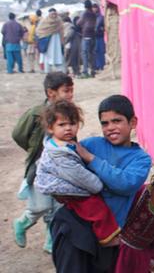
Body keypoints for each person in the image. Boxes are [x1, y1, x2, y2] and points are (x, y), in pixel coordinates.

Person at [50, 94, 151, 273]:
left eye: (117, 121)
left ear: (132, 122)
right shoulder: (90, 144)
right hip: (73, 229)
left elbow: (125, 183)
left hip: (107, 235)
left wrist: (90, 160)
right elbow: (57, 157)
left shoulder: (139, 158)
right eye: (104, 123)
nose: (110, 128)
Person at [34, 100, 121, 246]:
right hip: (66, 190)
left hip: (63, 189)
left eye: (72, 123)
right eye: (62, 125)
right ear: (50, 128)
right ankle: (106, 238)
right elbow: (79, 176)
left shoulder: (62, 143)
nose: (68, 128)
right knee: (97, 207)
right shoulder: (60, 154)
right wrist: (97, 185)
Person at [11, 72, 73, 253]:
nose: (70, 95)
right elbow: (18, 134)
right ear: (51, 93)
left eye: (71, 91)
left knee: (58, 204)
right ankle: (22, 223)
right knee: (41, 206)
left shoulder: (69, 113)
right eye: (66, 91)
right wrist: (32, 151)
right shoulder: (36, 114)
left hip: (60, 169)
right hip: (40, 169)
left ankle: (50, 241)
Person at [36, 8, 64, 73]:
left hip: (57, 39)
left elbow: (62, 30)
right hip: (47, 40)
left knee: (57, 55)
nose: (53, 16)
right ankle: (47, 70)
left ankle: (59, 70)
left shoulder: (59, 20)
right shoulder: (44, 21)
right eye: (52, 14)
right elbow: (39, 30)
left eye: (55, 14)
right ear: (49, 14)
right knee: (48, 56)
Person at [77, 0, 97, 78]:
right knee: (92, 54)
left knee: (85, 54)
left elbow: (78, 23)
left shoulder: (85, 13)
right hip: (93, 36)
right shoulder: (93, 14)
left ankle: (85, 71)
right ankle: (93, 71)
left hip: (86, 36)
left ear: (85, 6)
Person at [93, 3, 106, 71]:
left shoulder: (101, 17)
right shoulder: (92, 16)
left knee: (101, 51)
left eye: (95, 7)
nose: (94, 9)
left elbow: (105, 26)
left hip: (100, 36)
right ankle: (97, 66)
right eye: (93, 8)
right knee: (95, 51)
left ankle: (102, 66)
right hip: (94, 37)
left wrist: (102, 29)